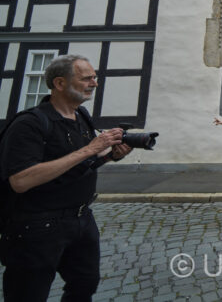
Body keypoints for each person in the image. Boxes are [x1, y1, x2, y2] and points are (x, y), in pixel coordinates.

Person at [0, 54, 132, 302]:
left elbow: (79, 165)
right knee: (27, 294)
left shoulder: (80, 115)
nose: (94, 83)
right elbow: (20, 181)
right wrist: (90, 149)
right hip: (36, 226)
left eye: (95, 77)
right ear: (59, 83)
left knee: (84, 285)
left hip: (81, 219)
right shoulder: (29, 124)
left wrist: (111, 156)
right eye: (86, 78)